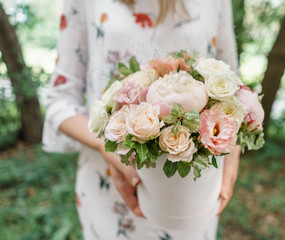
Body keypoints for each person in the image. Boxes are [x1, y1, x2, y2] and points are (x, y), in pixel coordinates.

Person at [43, 0, 241, 239]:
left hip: (194, 195)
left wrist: (233, 150)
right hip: (109, 190)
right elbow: (60, 100)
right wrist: (104, 147)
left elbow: (233, 88)